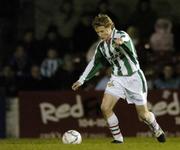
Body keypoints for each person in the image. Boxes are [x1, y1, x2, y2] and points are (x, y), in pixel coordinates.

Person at [72, 14, 166, 143]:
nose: (100, 35)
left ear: (110, 27)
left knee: (143, 115)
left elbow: (124, 41)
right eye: (98, 32)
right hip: (117, 79)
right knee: (105, 108)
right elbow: (94, 63)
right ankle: (118, 139)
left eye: (103, 31)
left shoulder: (121, 35)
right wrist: (81, 79)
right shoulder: (101, 46)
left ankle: (156, 128)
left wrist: (121, 43)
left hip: (134, 78)